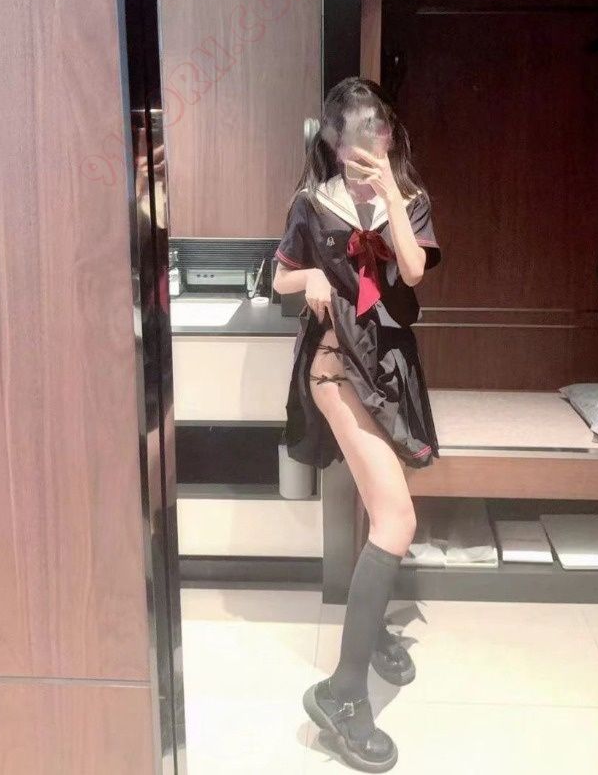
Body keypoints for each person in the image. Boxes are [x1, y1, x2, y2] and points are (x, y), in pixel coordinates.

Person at [273, 76, 441, 772]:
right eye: (355, 136)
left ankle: (370, 634)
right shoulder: (313, 203)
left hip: (389, 368)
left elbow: (413, 271)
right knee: (396, 518)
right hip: (335, 366)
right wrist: (307, 279)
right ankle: (341, 694)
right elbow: (277, 278)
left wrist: (393, 196)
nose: (369, 146)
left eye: (380, 131)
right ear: (335, 144)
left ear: (390, 136)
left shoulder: (412, 198)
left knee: (382, 509)